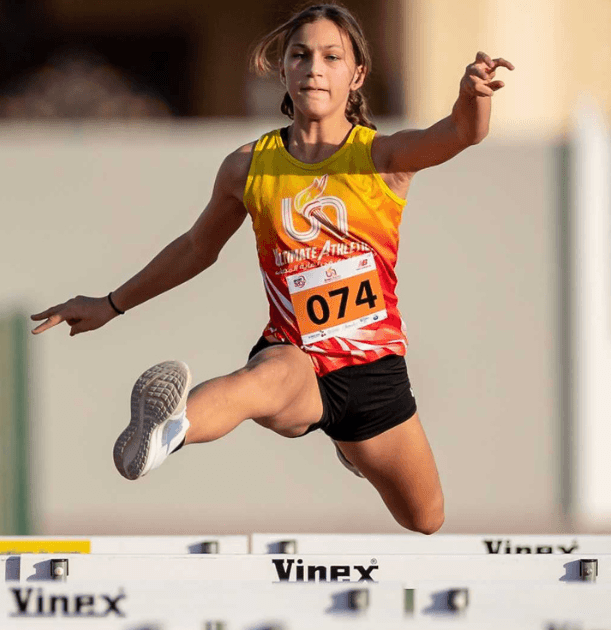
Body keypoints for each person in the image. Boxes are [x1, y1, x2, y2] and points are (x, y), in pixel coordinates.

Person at [30, 3, 512, 534]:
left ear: (356, 75)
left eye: (332, 57)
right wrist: (110, 304)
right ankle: (170, 429)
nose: (314, 68)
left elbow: (460, 133)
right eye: (300, 55)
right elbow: (196, 248)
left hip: (372, 371)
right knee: (261, 382)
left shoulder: (382, 157)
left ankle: (349, 449)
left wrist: (474, 98)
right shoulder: (248, 165)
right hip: (296, 355)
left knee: (426, 518)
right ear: (282, 69)